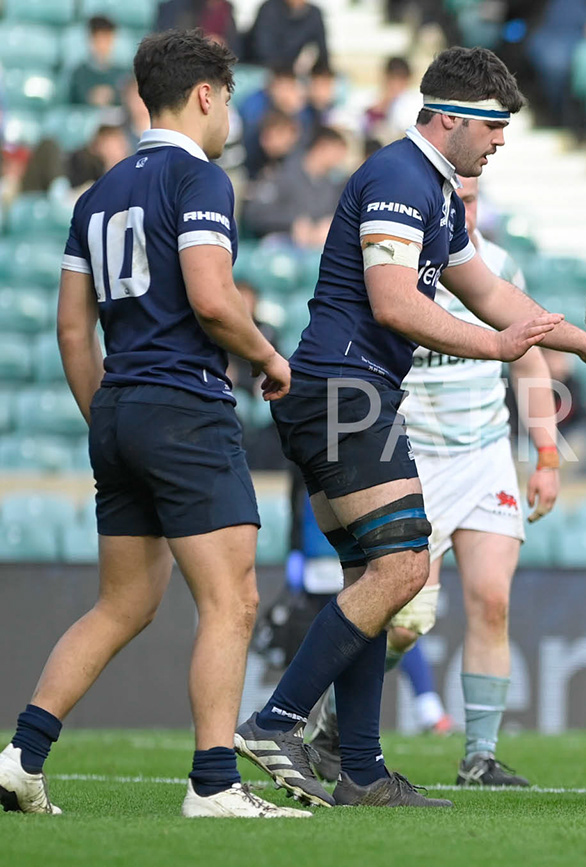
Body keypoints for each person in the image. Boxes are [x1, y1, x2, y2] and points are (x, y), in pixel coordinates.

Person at [231, 46, 586, 810]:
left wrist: (577, 342)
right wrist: (496, 347)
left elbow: (487, 291)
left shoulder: (440, 190)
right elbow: (391, 300)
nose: (501, 141)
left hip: (346, 392)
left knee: (371, 579)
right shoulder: (398, 176)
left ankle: (359, 767)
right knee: (405, 570)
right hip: (344, 391)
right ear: (447, 116)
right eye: (491, 125)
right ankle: (278, 719)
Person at [2, 30, 307, 819]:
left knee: (124, 601)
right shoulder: (200, 178)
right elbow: (211, 296)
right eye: (230, 97)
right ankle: (213, 783)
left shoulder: (95, 193)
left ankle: (21, 755)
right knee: (233, 598)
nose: (231, 112)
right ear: (206, 95)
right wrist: (270, 357)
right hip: (185, 405)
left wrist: (108, 411)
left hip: (120, 407)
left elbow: (73, 332)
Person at [304, 174, 562, 789]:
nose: (464, 215)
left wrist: (547, 453)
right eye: (457, 203)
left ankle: (480, 756)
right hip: (410, 454)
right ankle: (334, 725)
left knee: (492, 600)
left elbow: (529, 358)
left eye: (472, 204)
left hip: (484, 455)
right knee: (404, 622)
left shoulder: (496, 270)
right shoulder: (395, 269)